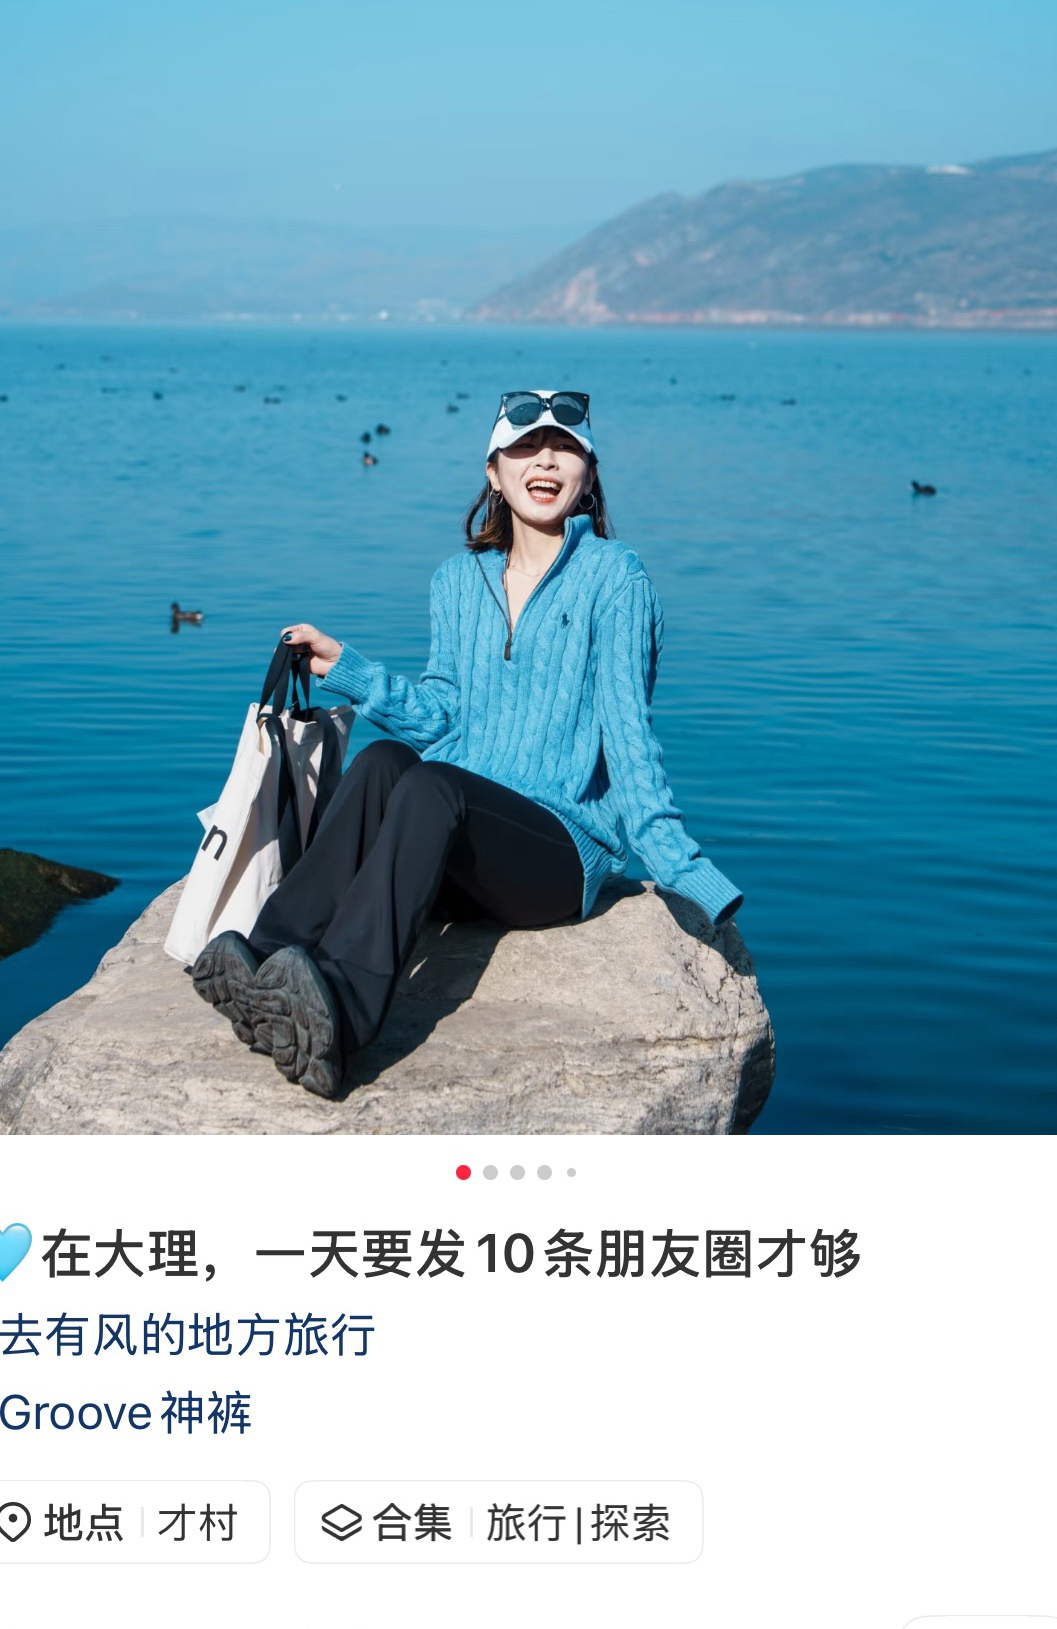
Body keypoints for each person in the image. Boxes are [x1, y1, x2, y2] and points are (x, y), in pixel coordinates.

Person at [191, 387, 743, 1098]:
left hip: (553, 857)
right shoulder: (458, 581)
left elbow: (630, 740)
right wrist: (346, 668)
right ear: (494, 472)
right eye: (525, 448)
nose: (545, 461)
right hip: (454, 847)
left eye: (565, 449)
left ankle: (341, 1016)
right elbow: (443, 715)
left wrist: (685, 872)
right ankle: (266, 959)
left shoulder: (616, 578)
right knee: (384, 761)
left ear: (588, 475)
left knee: (432, 783)